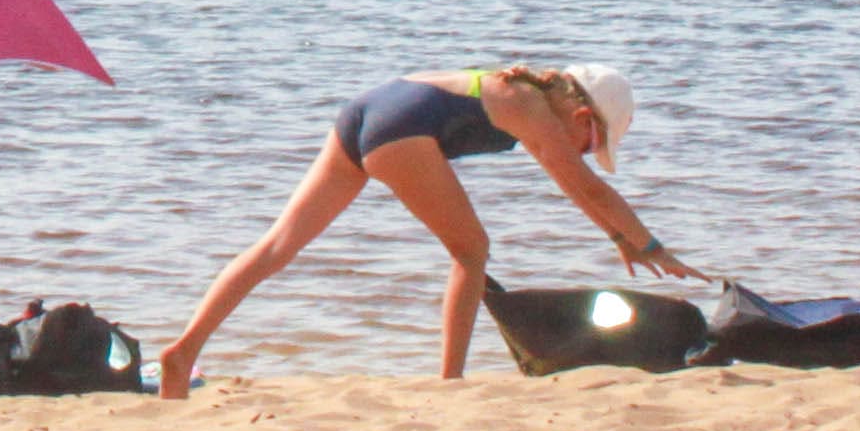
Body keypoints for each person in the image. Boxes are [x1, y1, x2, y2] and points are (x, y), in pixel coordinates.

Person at [158, 64, 700, 393]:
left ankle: (182, 353)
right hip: (402, 129)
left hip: (367, 110)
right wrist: (652, 245)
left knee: (279, 245)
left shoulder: (521, 92)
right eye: (593, 144)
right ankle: (450, 384)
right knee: (472, 250)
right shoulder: (533, 107)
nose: (586, 153)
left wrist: (616, 238)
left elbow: (582, 188)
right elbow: (588, 187)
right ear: (584, 120)